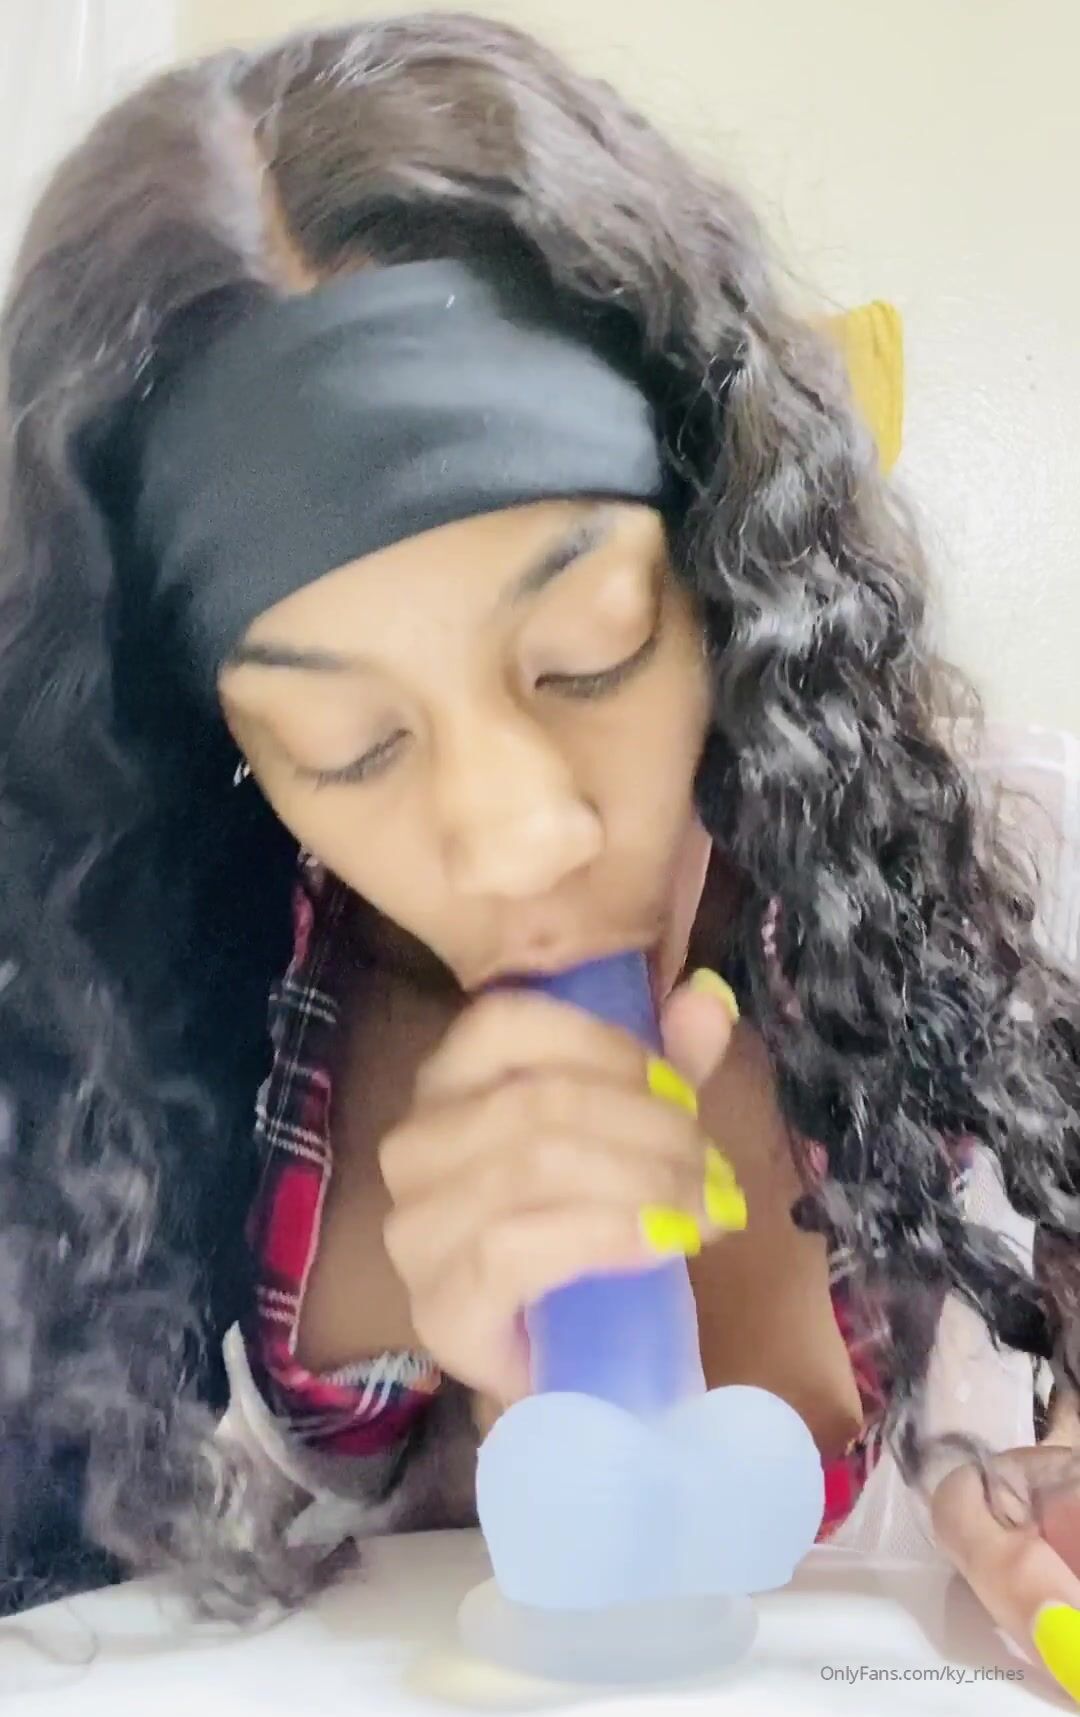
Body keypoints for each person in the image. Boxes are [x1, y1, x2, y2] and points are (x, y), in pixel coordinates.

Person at [1, 8, 1079, 1697]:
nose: (518, 834)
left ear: (722, 574)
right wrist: (495, 1415)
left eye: (586, 655)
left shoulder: (1012, 892)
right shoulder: (174, 1069)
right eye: (350, 745)